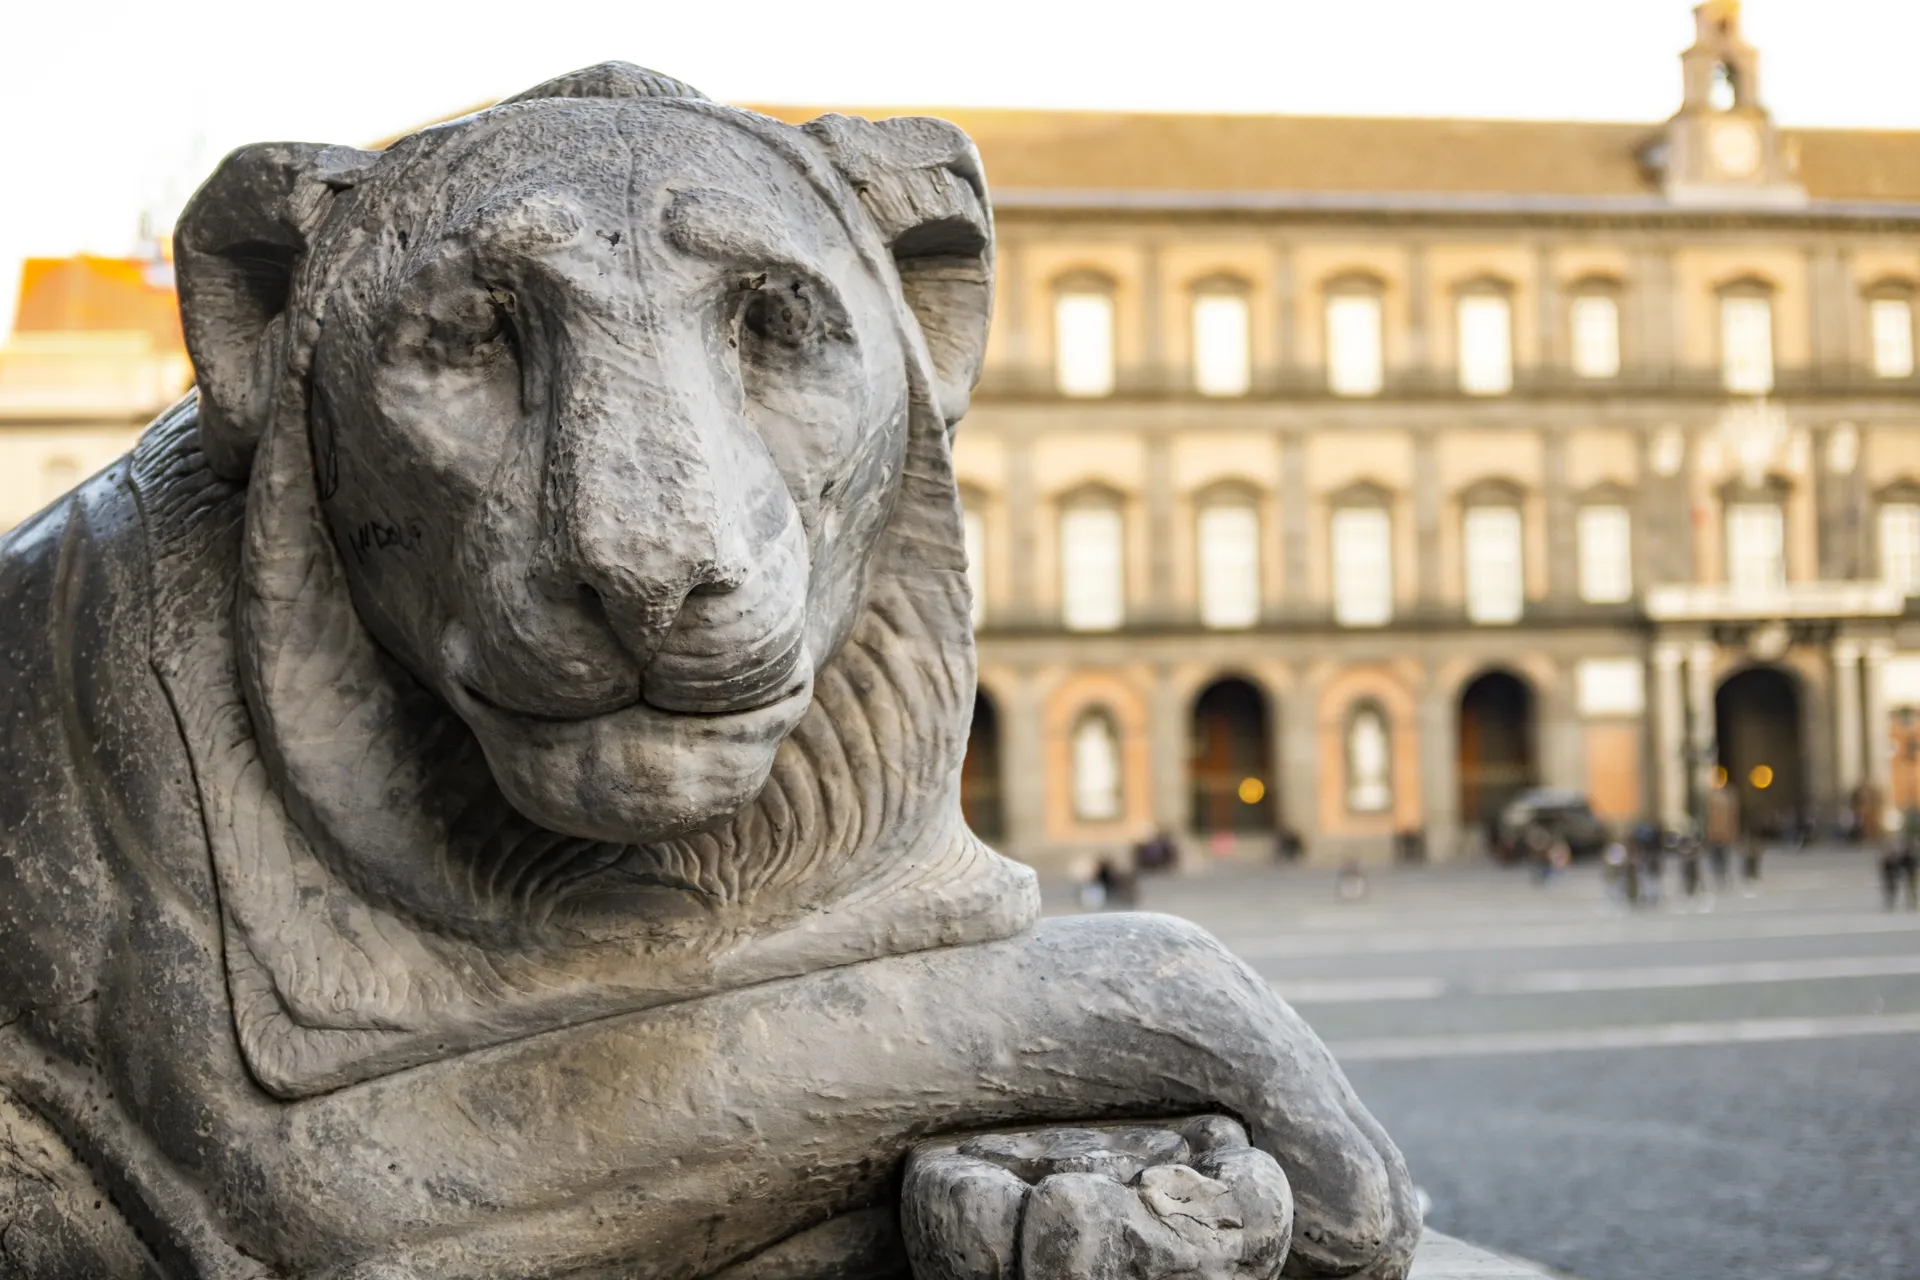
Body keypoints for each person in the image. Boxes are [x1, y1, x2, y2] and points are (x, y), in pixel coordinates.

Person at [1706, 780, 1740, 888]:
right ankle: (1721, 876)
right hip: (1718, 835)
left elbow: (1732, 819)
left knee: (1721, 857)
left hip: (1721, 835)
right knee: (1719, 857)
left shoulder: (1724, 801)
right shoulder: (1720, 801)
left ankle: (1722, 876)